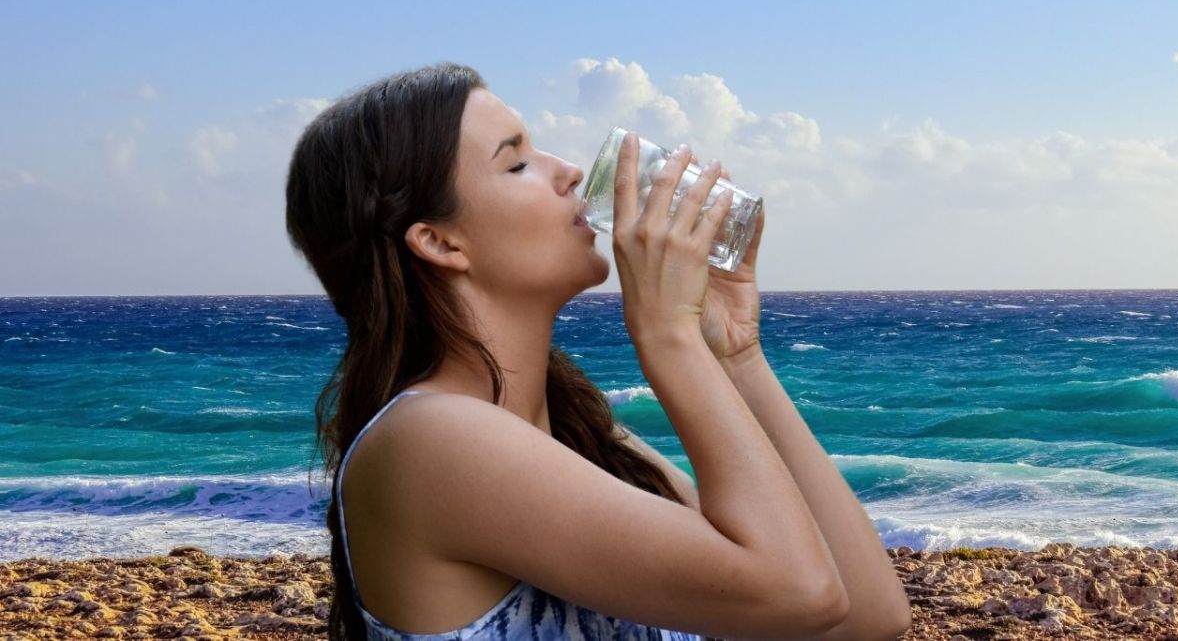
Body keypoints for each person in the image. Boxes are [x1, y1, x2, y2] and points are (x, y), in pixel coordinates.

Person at [286, 62, 911, 641]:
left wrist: (734, 356)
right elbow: (801, 592)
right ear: (439, 242)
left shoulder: (587, 438)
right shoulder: (428, 438)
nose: (570, 171)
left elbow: (868, 617)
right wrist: (666, 335)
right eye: (516, 164)